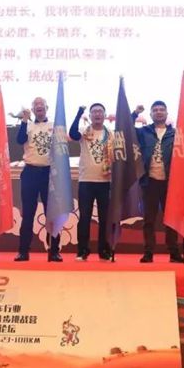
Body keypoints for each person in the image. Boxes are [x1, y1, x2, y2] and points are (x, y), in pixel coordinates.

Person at [134, 101, 184, 263]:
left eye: (162, 109)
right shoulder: (143, 132)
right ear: (150, 114)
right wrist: (135, 113)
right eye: (155, 110)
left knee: (171, 219)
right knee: (149, 219)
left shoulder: (175, 133)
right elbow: (126, 129)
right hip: (149, 182)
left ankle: (174, 252)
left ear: (167, 113)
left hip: (170, 182)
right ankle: (148, 252)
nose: (158, 112)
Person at [15, 97, 62, 262]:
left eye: (42, 104)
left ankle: (54, 251)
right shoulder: (27, 125)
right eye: (36, 104)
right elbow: (20, 140)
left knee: (52, 213)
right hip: (30, 172)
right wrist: (24, 120)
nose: (39, 106)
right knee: (28, 213)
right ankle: (23, 251)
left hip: (50, 173)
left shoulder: (55, 125)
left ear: (47, 108)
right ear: (33, 109)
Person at [69, 103, 112, 261]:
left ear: (105, 115)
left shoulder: (111, 134)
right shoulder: (84, 132)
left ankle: (104, 250)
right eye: (94, 112)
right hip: (86, 181)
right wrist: (79, 112)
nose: (97, 114)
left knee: (105, 218)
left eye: (100, 111)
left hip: (106, 181)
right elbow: (72, 134)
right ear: (90, 115)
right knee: (85, 217)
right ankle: (82, 250)